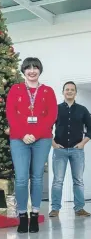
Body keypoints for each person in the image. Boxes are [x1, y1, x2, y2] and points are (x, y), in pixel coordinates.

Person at [6, 57, 58, 234]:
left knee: (36, 177)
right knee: (21, 178)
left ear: (40, 70)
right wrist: (23, 134)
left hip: (42, 139)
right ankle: (22, 216)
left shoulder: (48, 91)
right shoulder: (16, 89)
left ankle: (34, 215)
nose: (32, 71)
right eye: (28, 68)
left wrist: (35, 134)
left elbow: (51, 116)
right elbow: (11, 114)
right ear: (24, 71)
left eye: (35, 67)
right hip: (19, 139)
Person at [49, 81, 91, 218]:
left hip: (77, 150)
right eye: (67, 89)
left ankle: (79, 208)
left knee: (78, 180)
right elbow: (46, 128)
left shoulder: (83, 110)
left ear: (75, 92)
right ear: (63, 92)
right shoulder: (56, 109)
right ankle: (55, 209)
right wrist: (53, 143)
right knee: (57, 181)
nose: (69, 91)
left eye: (72, 89)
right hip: (59, 150)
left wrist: (83, 143)